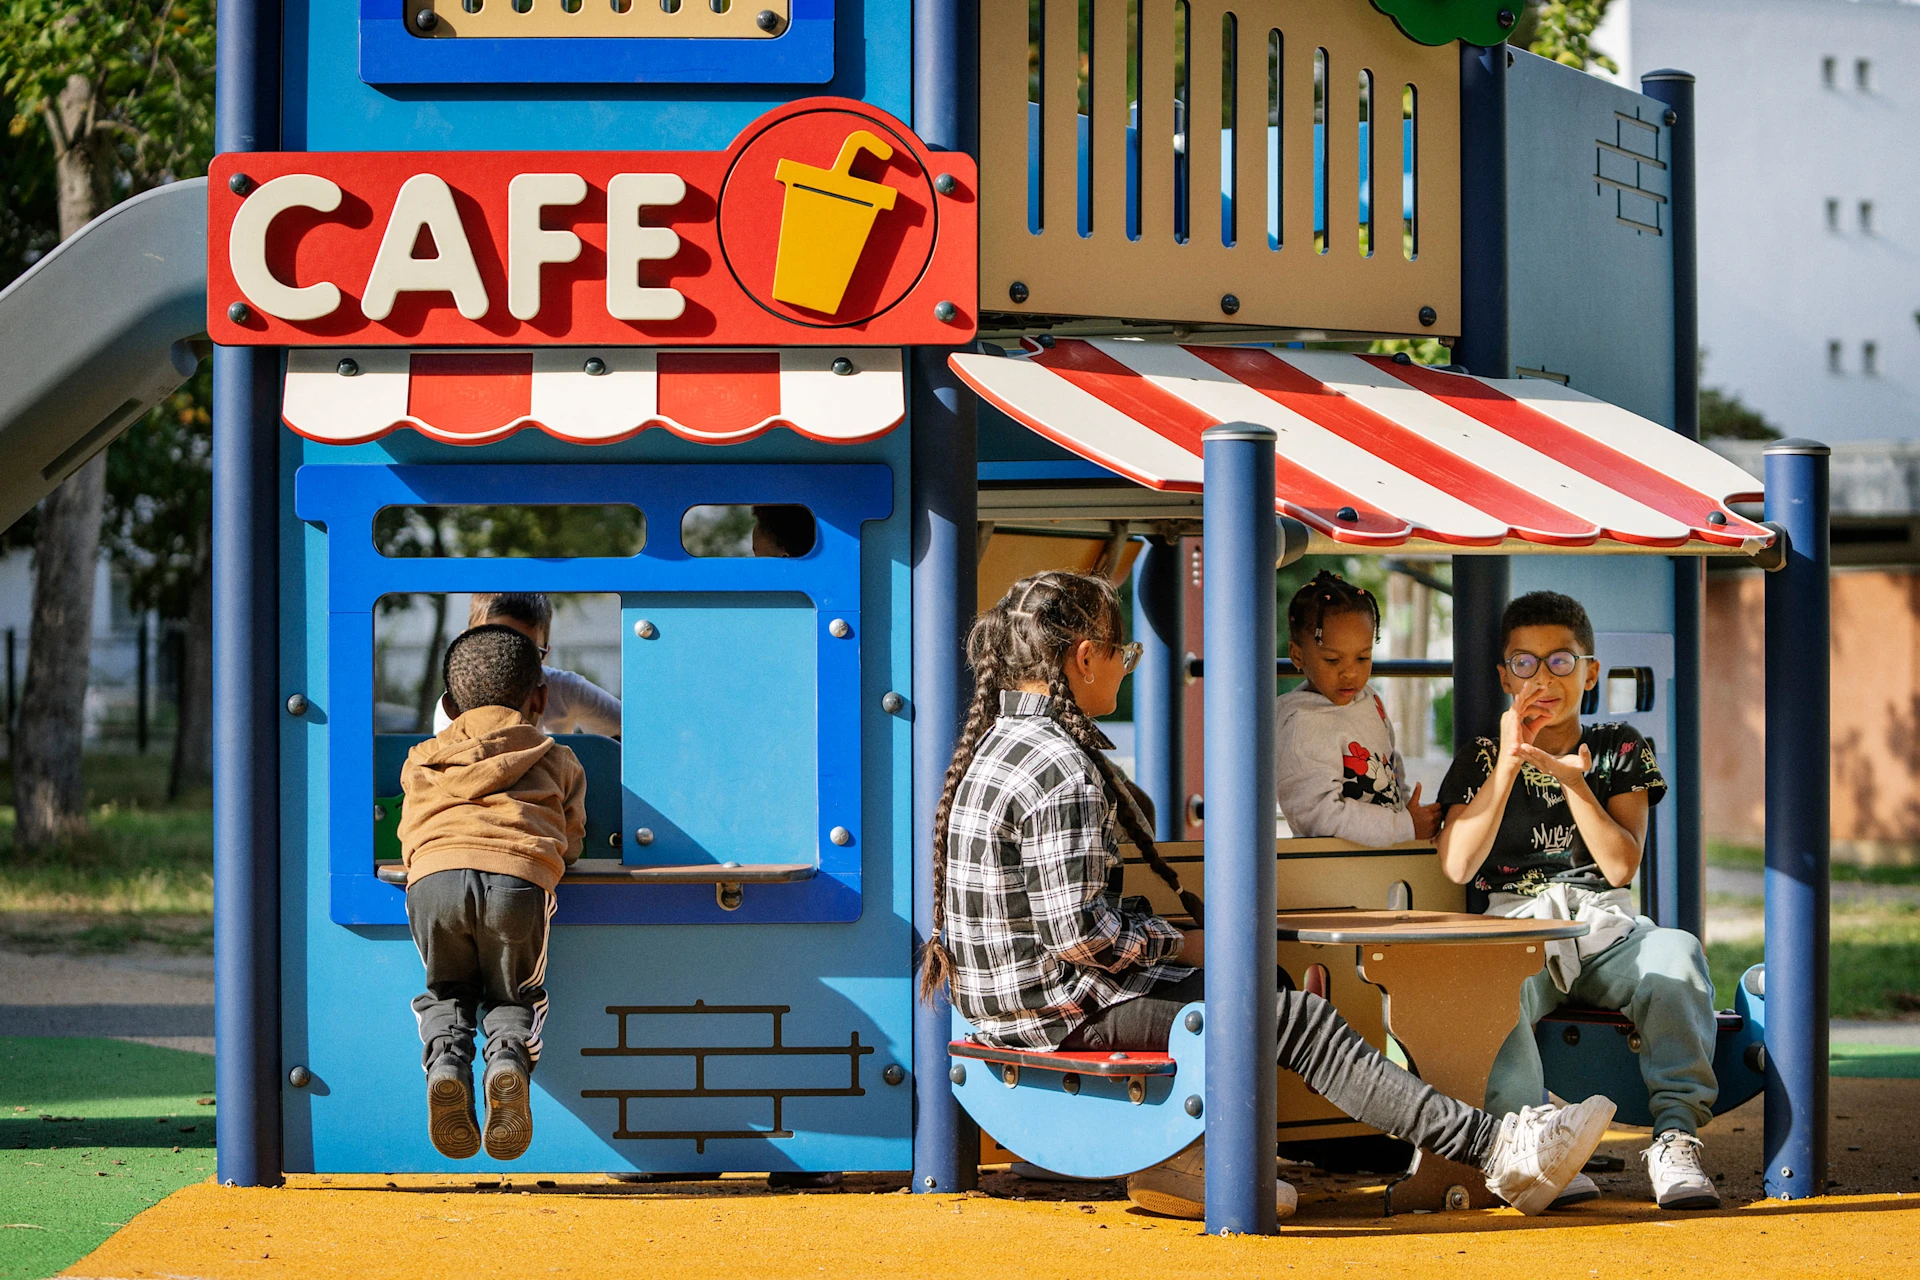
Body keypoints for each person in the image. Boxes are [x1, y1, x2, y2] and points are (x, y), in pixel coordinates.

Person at [921, 570, 1614, 1221]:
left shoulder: (997, 741)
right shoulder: (1062, 766)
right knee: (1288, 1015)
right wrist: (1191, 939)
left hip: (1012, 1007)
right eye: (1122, 652)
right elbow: (1081, 935)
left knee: (1265, 986)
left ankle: (1188, 1158)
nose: (1125, 666)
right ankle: (1499, 1151)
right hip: (1063, 1012)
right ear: (1083, 658)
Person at [1434, 591, 1720, 1211]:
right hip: (1517, 927)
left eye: (1561, 662)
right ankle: (1533, 1147)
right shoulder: (1482, 757)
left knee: (1676, 955)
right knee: (1491, 980)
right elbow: (1457, 863)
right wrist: (1509, 766)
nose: (1543, 679)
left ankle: (1675, 1136)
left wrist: (1575, 784)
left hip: (1602, 927)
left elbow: (1620, 865)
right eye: (1525, 663)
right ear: (1504, 676)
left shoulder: (1617, 746)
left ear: (1590, 672)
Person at [400, 625, 586, 1161]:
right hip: (516, 884)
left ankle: (446, 1064)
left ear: (450, 705)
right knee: (515, 994)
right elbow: (570, 840)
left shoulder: (421, 759)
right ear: (540, 698)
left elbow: (410, 829)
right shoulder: (557, 758)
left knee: (447, 989)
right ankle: (507, 1060)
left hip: (433, 882)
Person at [1274, 570, 1442, 844]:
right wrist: (1403, 827)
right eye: (1332, 660)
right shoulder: (1301, 726)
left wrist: (1411, 814)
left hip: (1382, 859)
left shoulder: (1369, 698)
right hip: (1340, 873)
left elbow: (1390, 770)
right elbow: (1320, 817)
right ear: (1297, 655)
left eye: (1363, 658)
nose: (1350, 673)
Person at [432, 593, 621, 738]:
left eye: (526, 653)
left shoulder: (564, 689)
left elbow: (633, 730)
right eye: (492, 647)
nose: (509, 665)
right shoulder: (457, 702)